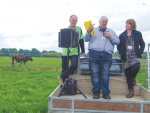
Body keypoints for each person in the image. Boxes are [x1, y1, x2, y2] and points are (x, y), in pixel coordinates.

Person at [85, 16, 120, 99]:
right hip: (94, 54)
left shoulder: (111, 31)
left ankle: (106, 93)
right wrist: (88, 31)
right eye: (103, 21)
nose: (104, 23)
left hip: (106, 55)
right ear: (99, 22)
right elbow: (86, 39)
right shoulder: (93, 29)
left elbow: (117, 42)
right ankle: (96, 92)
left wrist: (110, 36)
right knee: (94, 73)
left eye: (106, 22)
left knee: (105, 74)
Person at [117, 19, 145, 98]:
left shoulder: (137, 34)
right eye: (126, 24)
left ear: (132, 25)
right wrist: (120, 52)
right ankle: (131, 91)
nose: (126, 25)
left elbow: (142, 44)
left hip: (135, 55)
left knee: (136, 67)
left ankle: (134, 76)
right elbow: (118, 45)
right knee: (128, 74)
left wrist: (140, 51)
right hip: (126, 57)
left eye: (128, 24)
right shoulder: (122, 35)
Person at [57, 14, 88, 85]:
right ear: (69, 20)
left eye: (76, 20)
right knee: (64, 69)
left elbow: (81, 40)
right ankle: (63, 86)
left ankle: (61, 77)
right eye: (73, 20)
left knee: (74, 65)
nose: (74, 21)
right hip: (65, 52)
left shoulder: (79, 29)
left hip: (74, 52)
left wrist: (83, 51)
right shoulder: (65, 30)